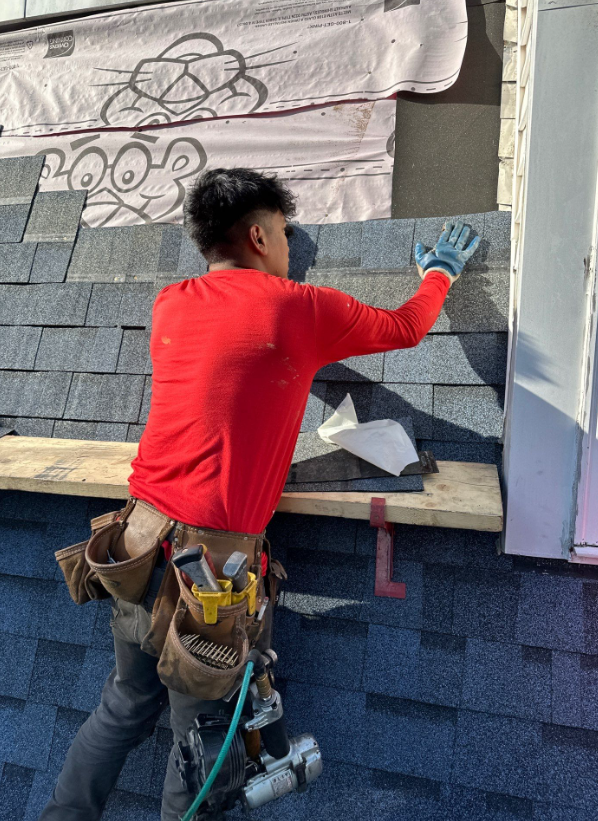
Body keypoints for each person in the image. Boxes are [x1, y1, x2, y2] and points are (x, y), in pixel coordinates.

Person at [39, 168, 480, 821]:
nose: (288, 247)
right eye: (282, 231)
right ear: (258, 235)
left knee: (123, 704)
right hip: (210, 575)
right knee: (201, 743)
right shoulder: (299, 309)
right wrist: (439, 273)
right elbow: (405, 328)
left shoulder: (171, 303)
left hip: (135, 544)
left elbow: (234, 368)